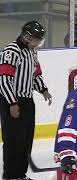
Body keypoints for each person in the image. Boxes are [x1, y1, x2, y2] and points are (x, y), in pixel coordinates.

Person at [0, 20, 52, 180]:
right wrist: (12, 103)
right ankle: (10, 176)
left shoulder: (32, 52)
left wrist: (43, 90)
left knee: (26, 140)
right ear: (28, 37)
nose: (38, 43)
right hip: (12, 101)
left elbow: (35, 74)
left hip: (28, 101)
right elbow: (3, 79)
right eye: (37, 39)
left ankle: (20, 174)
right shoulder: (11, 51)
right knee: (13, 140)